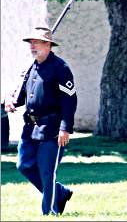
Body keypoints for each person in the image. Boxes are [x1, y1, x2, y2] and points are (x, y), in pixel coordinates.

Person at [4, 27, 77, 215]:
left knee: (47, 172)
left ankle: (49, 213)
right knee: (24, 165)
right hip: (30, 127)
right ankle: (59, 192)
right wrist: (10, 100)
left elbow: (69, 100)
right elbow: (21, 96)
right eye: (31, 43)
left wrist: (65, 127)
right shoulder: (30, 67)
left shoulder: (60, 68)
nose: (32, 46)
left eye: (36, 42)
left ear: (47, 45)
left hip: (52, 128)